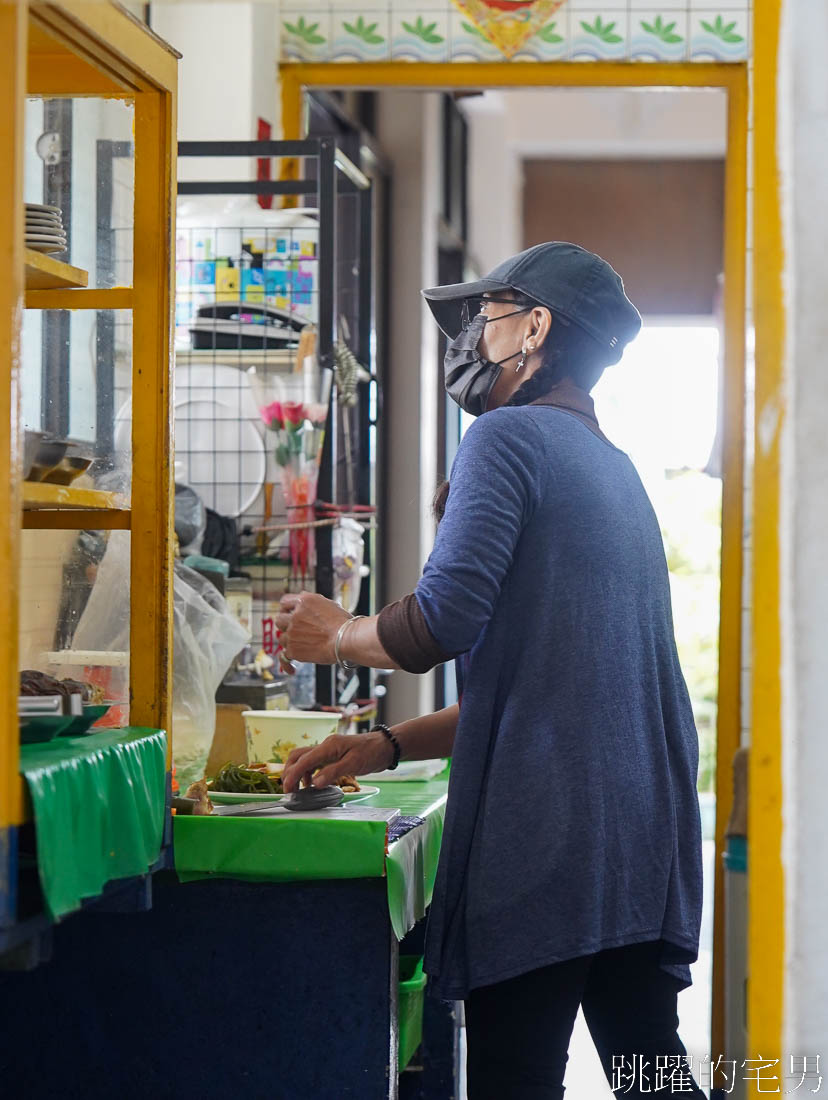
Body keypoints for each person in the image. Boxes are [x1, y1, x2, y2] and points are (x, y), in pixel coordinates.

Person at [275, 242, 705, 1100]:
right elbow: (555, 684)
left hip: (549, 842)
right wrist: (388, 745)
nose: (470, 335)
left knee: (516, 1080)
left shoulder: (508, 439)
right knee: (655, 1078)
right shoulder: (614, 470)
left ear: (535, 328)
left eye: (488, 315)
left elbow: (441, 621)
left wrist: (337, 633)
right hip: (640, 838)